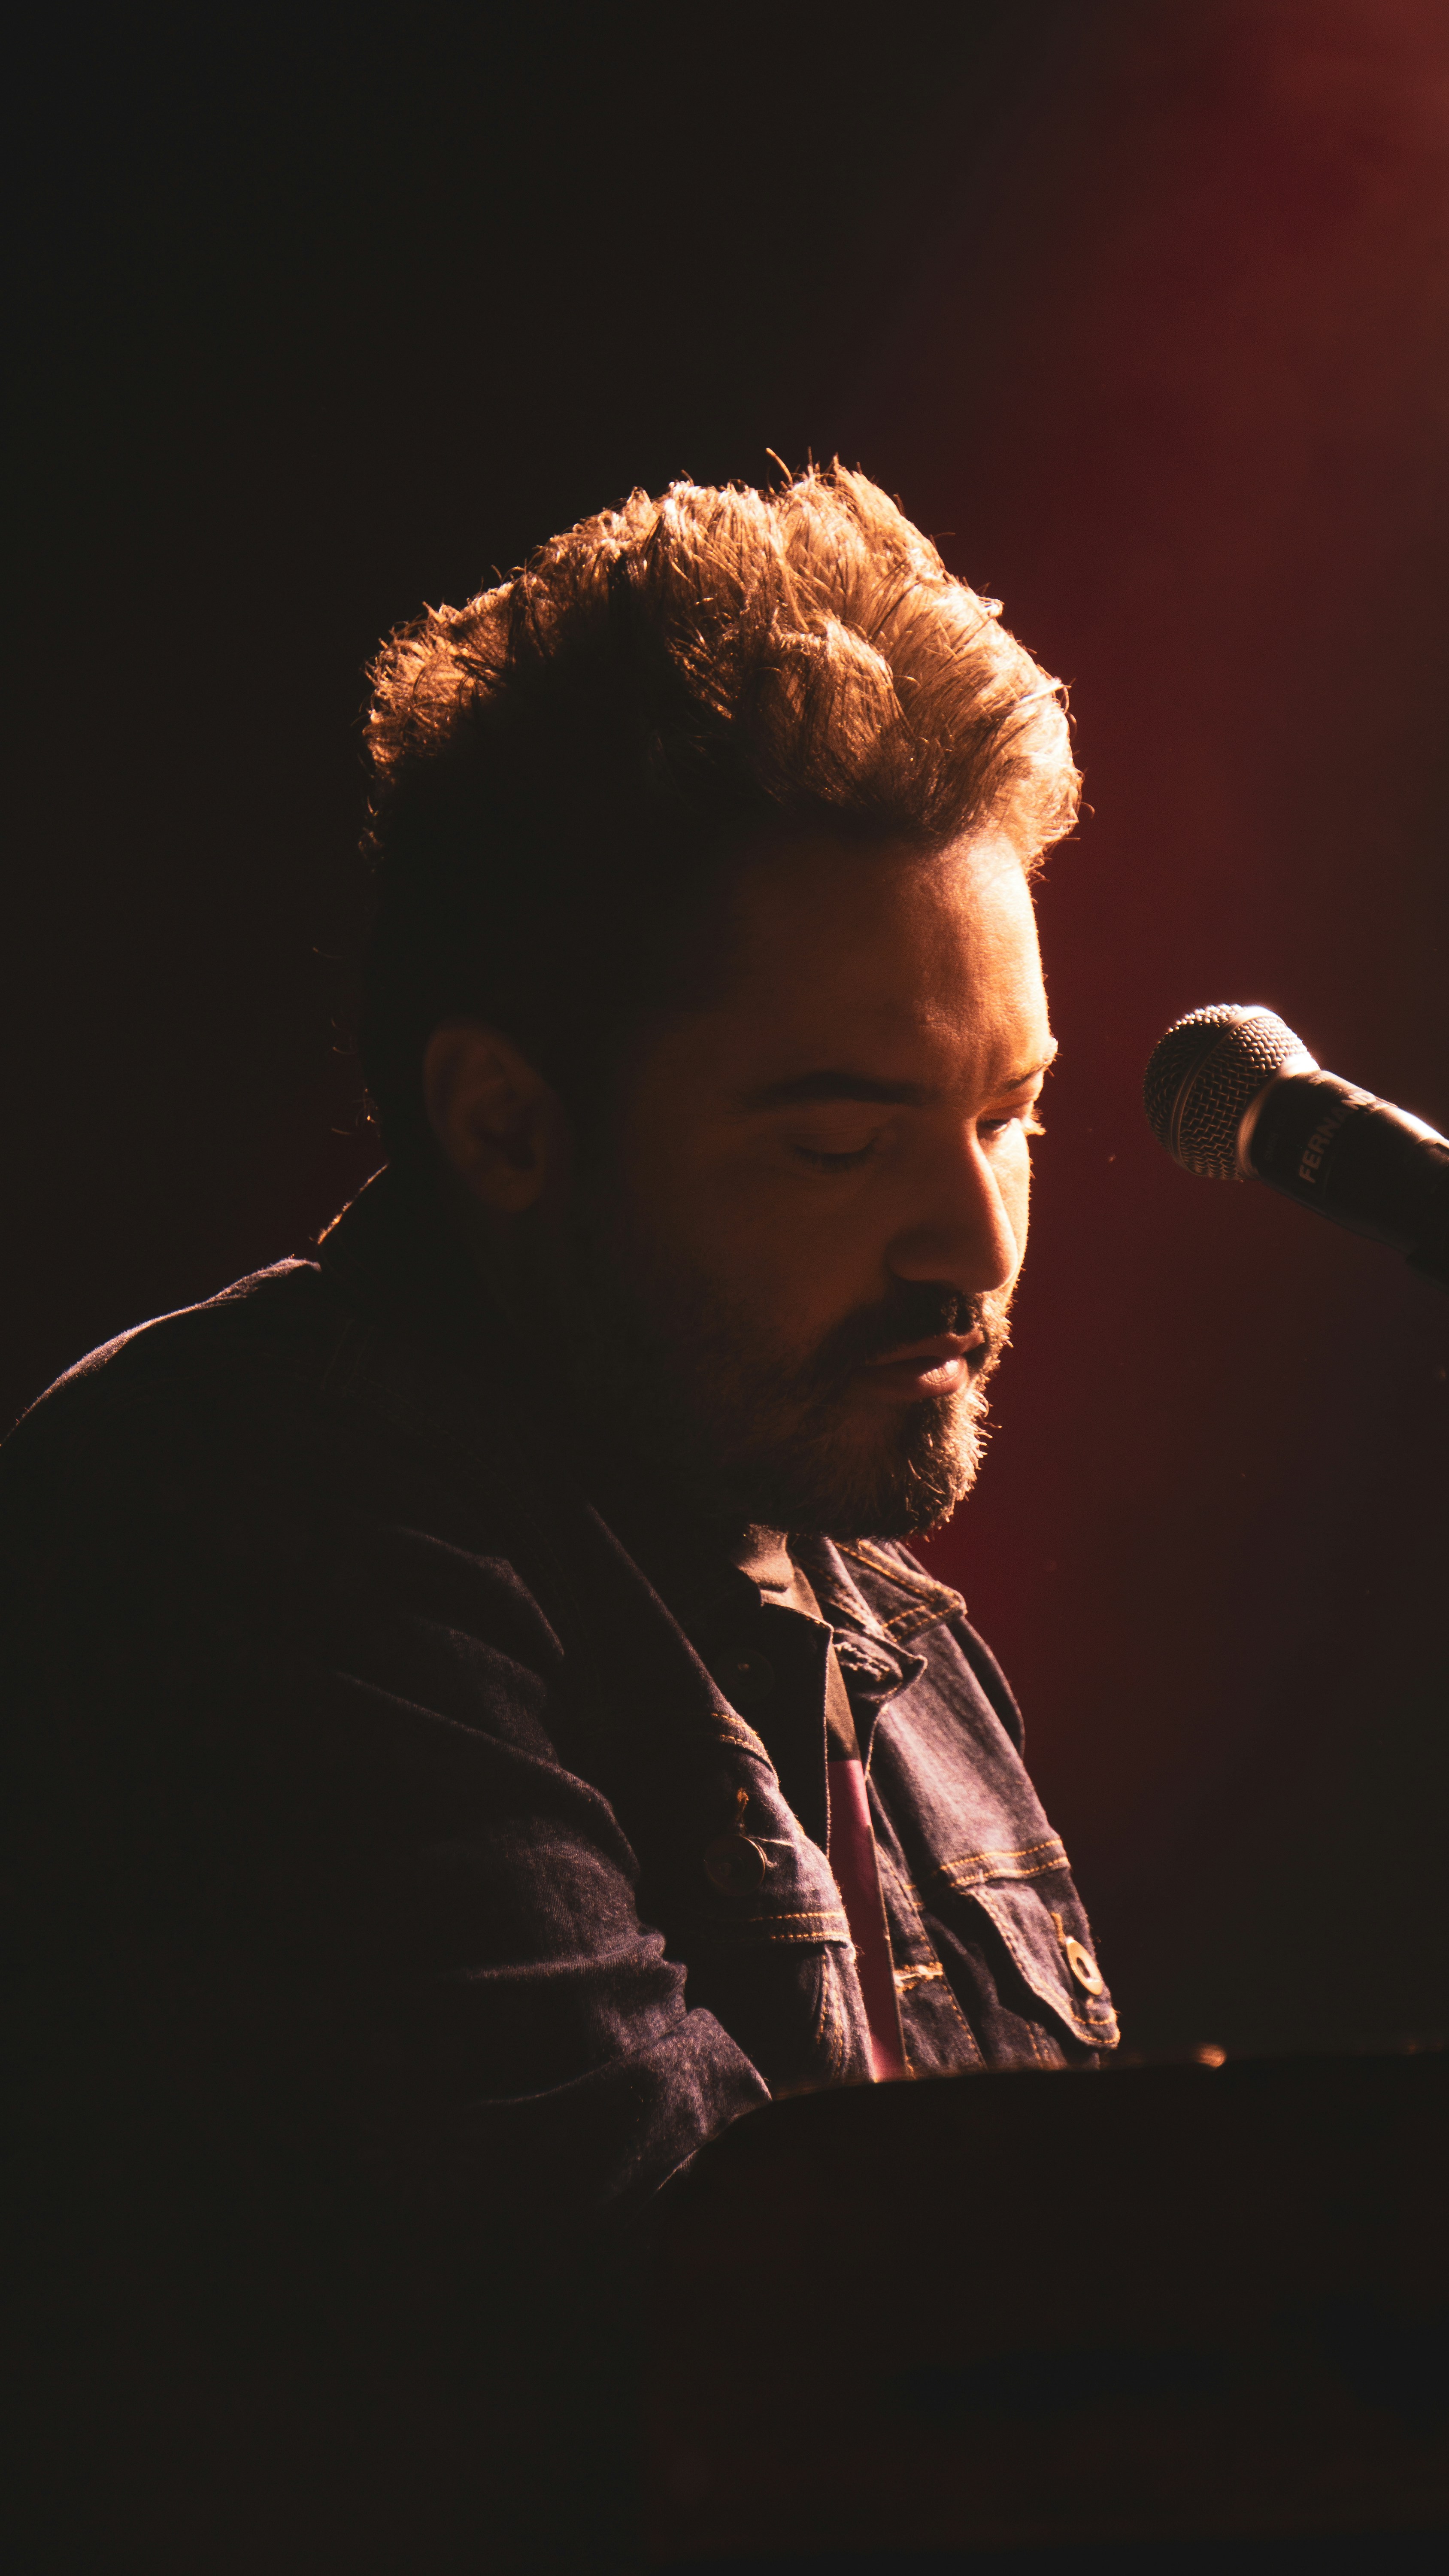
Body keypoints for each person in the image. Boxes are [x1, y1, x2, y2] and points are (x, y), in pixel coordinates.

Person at [2, 466, 1116, 2569]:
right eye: (841, 1137)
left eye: (1009, 1115)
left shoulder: (903, 1644)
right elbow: (696, 2339)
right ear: (507, 1122)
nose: (973, 1242)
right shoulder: (250, 1522)